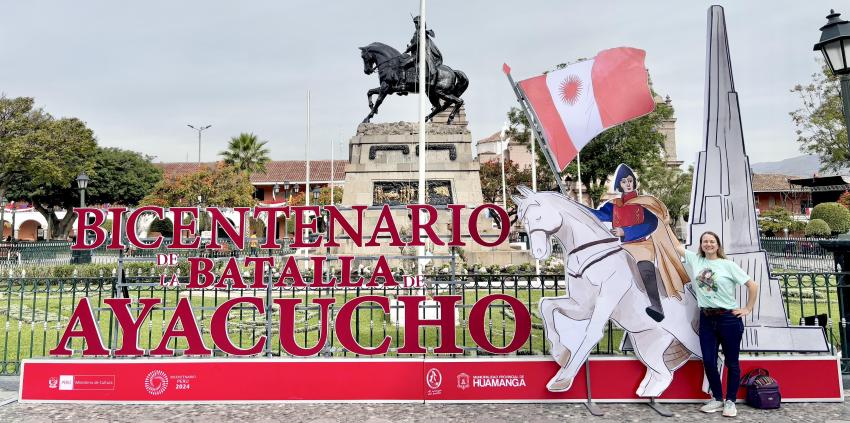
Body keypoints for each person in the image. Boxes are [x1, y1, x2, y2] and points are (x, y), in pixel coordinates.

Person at [586, 163, 690, 322]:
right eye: (623, 181)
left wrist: (624, 231)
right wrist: (574, 206)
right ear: (619, 184)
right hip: (621, 246)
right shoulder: (613, 205)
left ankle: (656, 306)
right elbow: (597, 215)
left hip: (643, 244)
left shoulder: (644, 202)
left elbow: (651, 224)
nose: (627, 184)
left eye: (629, 180)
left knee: (645, 266)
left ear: (634, 182)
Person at [675, 231, 758, 418]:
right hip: (706, 318)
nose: (708, 244)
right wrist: (664, 223)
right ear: (701, 245)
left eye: (712, 241)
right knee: (709, 361)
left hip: (728, 319)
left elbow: (753, 285)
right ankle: (718, 398)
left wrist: (747, 308)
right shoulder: (696, 260)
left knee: (731, 362)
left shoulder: (727, 265)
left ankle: (730, 401)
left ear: (718, 245)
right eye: (705, 241)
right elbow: (676, 245)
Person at [401, 15, 443, 85]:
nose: (416, 25)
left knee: (403, 65)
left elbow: (417, 42)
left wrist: (409, 48)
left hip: (419, 54)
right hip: (416, 53)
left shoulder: (421, 32)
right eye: (415, 23)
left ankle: (402, 84)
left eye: (417, 23)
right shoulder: (417, 32)